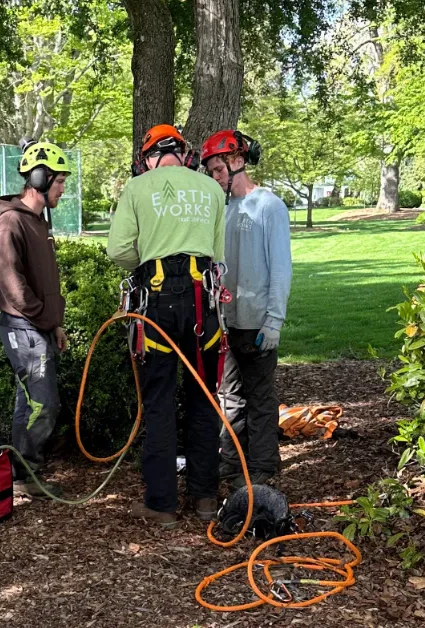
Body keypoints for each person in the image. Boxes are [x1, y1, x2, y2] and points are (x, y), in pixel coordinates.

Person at [106, 124, 226, 528]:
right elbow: (218, 253)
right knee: (204, 400)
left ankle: (162, 504)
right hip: (202, 304)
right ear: (185, 154)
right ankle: (206, 497)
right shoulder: (210, 189)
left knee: (157, 402)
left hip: (155, 304)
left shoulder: (138, 189)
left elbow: (119, 250)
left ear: (148, 157)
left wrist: (148, 257)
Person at [201, 129, 292, 488]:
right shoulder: (224, 210)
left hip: (258, 322)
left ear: (238, 161)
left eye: (219, 170)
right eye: (211, 172)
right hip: (228, 320)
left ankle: (264, 467)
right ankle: (232, 462)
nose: (215, 177)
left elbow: (281, 267)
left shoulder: (269, 205)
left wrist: (274, 321)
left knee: (261, 397)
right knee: (231, 397)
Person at [0, 139, 72, 498]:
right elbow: (11, 282)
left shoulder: (38, 222)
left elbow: (44, 280)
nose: (63, 188)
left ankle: (21, 475)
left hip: (37, 327)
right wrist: (42, 318)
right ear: (39, 179)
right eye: (59, 181)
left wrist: (54, 323)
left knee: (30, 402)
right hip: (22, 329)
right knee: (44, 403)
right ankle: (27, 473)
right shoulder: (11, 223)